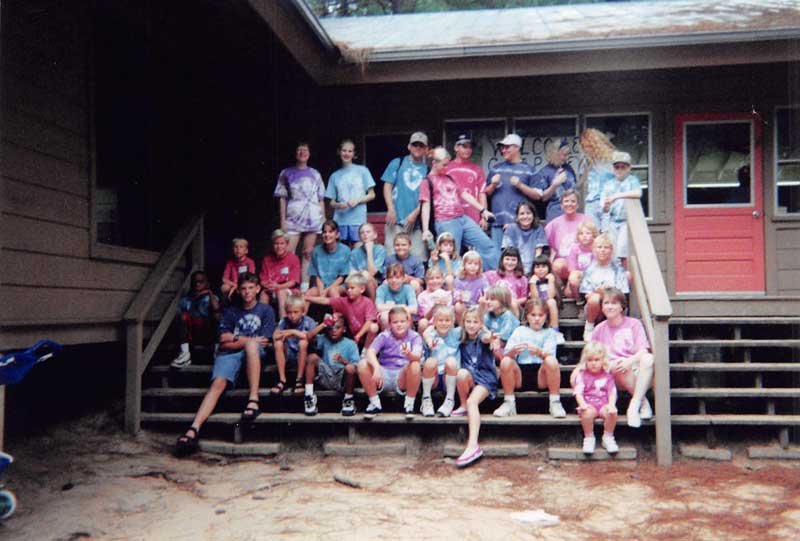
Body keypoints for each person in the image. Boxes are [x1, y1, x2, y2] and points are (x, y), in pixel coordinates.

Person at [175, 272, 275, 456]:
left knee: (253, 346)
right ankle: (194, 429)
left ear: (258, 289)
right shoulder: (231, 311)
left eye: (251, 288)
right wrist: (245, 339)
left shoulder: (265, 310)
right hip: (229, 354)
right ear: (238, 290)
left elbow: (264, 342)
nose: (247, 292)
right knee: (218, 383)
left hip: (252, 354)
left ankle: (253, 400)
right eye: (243, 289)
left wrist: (236, 338)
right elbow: (223, 342)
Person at [420, 146, 498, 270]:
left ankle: (494, 276)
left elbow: (464, 194)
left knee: (487, 245)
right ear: (434, 163)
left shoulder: (450, 177)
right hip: (445, 221)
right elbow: (425, 205)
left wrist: (483, 210)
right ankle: (450, 284)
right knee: (449, 254)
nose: (447, 168)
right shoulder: (427, 181)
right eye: (444, 165)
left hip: (462, 218)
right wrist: (425, 230)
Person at [586, 287, 654, 429]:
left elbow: (643, 350)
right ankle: (642, 402)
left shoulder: (633, 324)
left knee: (648, 358)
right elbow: (592, 356)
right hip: (613, 374)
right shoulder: (599, 329)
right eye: (606, 303)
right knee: (617, 365)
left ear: (622, 306)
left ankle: (634, 405)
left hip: (635, 369)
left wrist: (629, 361)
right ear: (602, 307)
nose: (610, 306)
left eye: (614, 303)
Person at [495, 298, 566, 418]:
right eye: (533, 315)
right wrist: (513, 351)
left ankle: (555, 402)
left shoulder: (549, 332)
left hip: (541, 375)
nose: (537, 319)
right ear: (527, 316)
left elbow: (550, 357)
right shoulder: (519, 331)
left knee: (551, 361)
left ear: (546, 316)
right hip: (520, 374)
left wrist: (540, 353)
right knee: (506, 361)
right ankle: (508, 403)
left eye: (540, 315)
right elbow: (506, 355)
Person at [274, 142, 326, 286]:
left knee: (308, 253)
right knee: (289, 254)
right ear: (295, 153)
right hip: (293, 219)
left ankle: (304, 287)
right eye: (299, 150)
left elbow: (321, 198)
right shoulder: (286, 173)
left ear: (309, 154)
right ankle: (289, 285)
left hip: (313, 218)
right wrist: (283, 221)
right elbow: (282, 198)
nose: (302, 152)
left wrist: (324, 218)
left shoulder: (315, 174)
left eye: (305, 150)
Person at [358, 307, 424, 419]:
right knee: (363, 363)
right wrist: (376, 368)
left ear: (408, 322)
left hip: (402, 377)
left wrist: (409, 354)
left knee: (415, 364)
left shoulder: (414, 336)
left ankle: (409, 404)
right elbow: (370, 352)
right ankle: (375, 403)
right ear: (389, 324)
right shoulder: (384, 335)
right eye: (395, 322)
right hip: (385, 375)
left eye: (402, 321)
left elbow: (417, 356)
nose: (399, 325)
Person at [453, 306, 499, 468]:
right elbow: (433, 330)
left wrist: (489, 335)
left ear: (481, 323)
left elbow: (487, 338)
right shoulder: (461, 336)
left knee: (474, 402)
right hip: (470, 377)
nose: (471, 325)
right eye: (468, 322)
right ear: (463, 323)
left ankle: (473, 445)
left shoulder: (482, 336)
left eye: (475, 322)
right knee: (461, 374)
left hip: (485, 379)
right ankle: (463, 404)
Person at [483, 133, 544, 249]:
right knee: (499, 259)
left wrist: (520, 185)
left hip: (520, 224)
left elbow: (538, 195)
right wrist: (493, 184)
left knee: (518, 258)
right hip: (498, 223)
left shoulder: (530, 170)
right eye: (502, 147)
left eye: (507, 147)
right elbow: (486, 193)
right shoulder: (496, 168)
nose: (503, 150)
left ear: (517, 147)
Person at [382, 131, 429, 261]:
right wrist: (390, 208)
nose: (418, 148)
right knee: (392, 258)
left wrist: (415, 214)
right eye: (415, 145)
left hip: (416, 224)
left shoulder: (428, 170)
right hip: (395, 220)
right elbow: (387, 186)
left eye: (421, 145)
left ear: (426, 149)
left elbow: (427, 198)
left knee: (418, 259)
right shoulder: (398, 163)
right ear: (409, 146)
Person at [303, 313, 360, 416]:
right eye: (331, 328)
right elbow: (308, 337)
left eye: (337, 328)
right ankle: (309, 397)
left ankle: (348, 400)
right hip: (326, 374)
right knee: (312, 357)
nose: (334, 330)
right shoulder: (324, 339)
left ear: (344, 329)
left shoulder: (351, 343)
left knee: (350, 367)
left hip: (342, 378)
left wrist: (344, 361)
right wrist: (323, 324)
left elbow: (357, 367)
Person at [306, 272, 379, 350]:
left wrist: (359, 335)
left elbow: (369, 321)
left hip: (364, 335)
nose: (349, 290)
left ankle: (366, 351)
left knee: (373, 327)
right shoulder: (343, 301)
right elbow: (325, 300)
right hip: (352, 335)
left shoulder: (367, 302)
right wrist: (307, 298)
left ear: (362, 289)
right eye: (347, 288)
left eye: (352, 288)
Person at [326, 139, 376, 247]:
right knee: (342, 254)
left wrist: (358, 200)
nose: (346, 153)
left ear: (354, 154)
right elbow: (331, 202)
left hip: (358, 220)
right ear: (339, 152)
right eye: (344, 150)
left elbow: (372, 194)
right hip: (340, 221)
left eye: (350, 151)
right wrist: (338, 205)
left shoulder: (363, 171)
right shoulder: (334, 175)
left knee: (357, 253)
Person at [579, 234, 629, 341]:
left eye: (606, 247)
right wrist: (600, 293)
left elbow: (623, 294)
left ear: (611, 250)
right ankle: (589, 329)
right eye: (599, 247)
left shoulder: (618, 269)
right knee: (594, 299)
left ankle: (618, 329)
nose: (602, 250)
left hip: (615, 304)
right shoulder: (589, 269)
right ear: (594, 249)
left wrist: (609, 292)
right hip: (595, 308)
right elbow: (586, 295)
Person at [573, 341, 618, 454]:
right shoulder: (582, 375)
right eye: (590, 360)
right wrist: (582, 404)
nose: (593, 363)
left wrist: (611, 405)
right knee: (587, 413)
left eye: (597, 360)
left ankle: (608, 437)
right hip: (589, 404)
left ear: (603, 360)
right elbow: (578, 392)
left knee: (611, 413)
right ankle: (589, 437)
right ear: (585, 361)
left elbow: (612, 392)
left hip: (603, 404)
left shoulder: (608, 376)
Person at [599, 151, 643, 266]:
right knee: (611, 251)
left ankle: (624, 280)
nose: (619, 170)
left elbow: (638, 193)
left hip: (626, 222)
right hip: (612, 221)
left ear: (629, 168)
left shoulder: (632, 180)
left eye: (623, 167)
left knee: (623, 252)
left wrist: (615, 196)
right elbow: (603, 209)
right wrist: (606, 206)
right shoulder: (608, 184)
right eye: (617, 167)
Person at [171, 271, 221, 369]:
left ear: (206, 283)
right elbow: (180, 322)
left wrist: (209, 293)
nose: (197, 284)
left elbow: (217, 311)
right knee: (183, 316)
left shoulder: (211, 298)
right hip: (192, 334)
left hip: (209, 333)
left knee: (216, 316)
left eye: (201, 282)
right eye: (195, 282)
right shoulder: (185, 300)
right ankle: (185, 354)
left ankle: (218, 353)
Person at [270, 295, 316, 396]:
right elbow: (275, 336)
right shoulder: (284, 321)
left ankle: (299, 379)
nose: (292, 315)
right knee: (278, 343)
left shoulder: (309, 321)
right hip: (289, 355)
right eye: (289, 312)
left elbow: (309, 337)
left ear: (303, 311)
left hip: (304, 355)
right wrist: (297, 334)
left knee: (303, 342)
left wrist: (292, 332)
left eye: (295, 312)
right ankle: (282, 379)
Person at [420, 305, 461, 418]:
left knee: (451, 361)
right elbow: (426, 333)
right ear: (435, 322)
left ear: (453, 322)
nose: (444, 323)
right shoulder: (431, 334)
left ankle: (449, 399)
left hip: (450, 375)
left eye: (447, 320)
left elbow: (473, 326)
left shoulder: (457, 333)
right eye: (440, 320)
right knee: (431, 361)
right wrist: (429, 341)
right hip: (434, 377)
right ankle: (426, 399)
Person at [445, 133, 488, 228]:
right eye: (464, 146)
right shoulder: (446, 167)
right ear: (456, 147)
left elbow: (482, 193)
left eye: (470, 147)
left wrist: (484, 217)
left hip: (473, 219)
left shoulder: (477, 169)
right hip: (450, 218)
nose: (468, 150)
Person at [544, 189, 587, 282]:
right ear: (561, 205)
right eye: (566, 201)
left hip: (583, 260)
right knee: (557, 265)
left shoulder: (586, 220)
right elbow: (552, 248)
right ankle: (560, 287)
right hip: (564, 262)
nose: (569, 204)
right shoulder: (554, 224)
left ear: (578, 204)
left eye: (573, 201)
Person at [259, 229, 301, 319]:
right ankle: (262, 323)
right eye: (276, 243)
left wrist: (278, 287)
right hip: (272, 288)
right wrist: (268, 286)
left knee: (281, 292)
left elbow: (293, 282)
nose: (279, 246)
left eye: (282, 243)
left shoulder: (293, 258)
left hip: (288, 289)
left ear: (287, 244)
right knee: (263, 293)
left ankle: (283, 323)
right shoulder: (267, 259)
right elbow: (262, 280)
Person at [306, 220, 351, 301]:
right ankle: (302, 314)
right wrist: (321, 292)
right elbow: (317, 276)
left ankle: (338, 313)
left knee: (332, 291)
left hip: (339, 285)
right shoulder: (316, 251)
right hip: (321, 285)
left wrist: (327, 290)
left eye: (330, 232)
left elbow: (342, 277)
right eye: (324, 232)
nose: (327, 235)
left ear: (337, 234)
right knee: (307, 295)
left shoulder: (345, 251)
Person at [534, 138, 577, 222]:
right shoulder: (545, 172)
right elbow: (543, 197)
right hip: (555, 213)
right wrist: (555, 184)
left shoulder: (569, 169)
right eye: (564, 155)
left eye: (568, 155)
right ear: (555, 154)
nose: (566, 158)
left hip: (572, 211)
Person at [502, 200, 548, 275]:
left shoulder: (538, 228)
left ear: (533, 215)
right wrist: (518, 268)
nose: (525, 216)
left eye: (528, 213)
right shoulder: (511, 228)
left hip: (533, 267)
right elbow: (509, 252)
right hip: (515, 267)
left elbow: (538, 253)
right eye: (522, 214)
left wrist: (534, 270)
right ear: (517, 216)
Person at [484, 247, 528, 317]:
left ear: (518, 262)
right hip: (494, 304)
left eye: (513, 260)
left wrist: (513, 302)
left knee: (513, 303)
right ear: (502, 260)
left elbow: (524, 298)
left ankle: (514, 325)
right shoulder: (491, 275)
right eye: (507, 259)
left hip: (513, 305)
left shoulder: (522, 279)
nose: (510, 262)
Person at [348, 222, 386, 300]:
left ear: (375, 235)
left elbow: (372, 272)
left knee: (366, 275)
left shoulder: (381, 249)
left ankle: (373, 305)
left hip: (376, 283)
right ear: (359, 237)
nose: (365, 234)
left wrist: (369, 251)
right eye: (362, 233)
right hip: (357, 282)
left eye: (368, 232)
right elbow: (351, 273)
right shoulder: (355, 252)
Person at [375, 263, 418, 329]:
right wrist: (399, 307)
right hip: (388, 318)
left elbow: (414, 309)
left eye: (397, 277)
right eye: (390, 277)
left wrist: (390, 308)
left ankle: (406, 338)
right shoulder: (381, 289)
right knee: (384, 316)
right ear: (386, 279)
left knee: (407, 316)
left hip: (403, 317)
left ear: (403, 278)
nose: (393, 280)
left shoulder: (408, 288)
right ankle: (388, 338)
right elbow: (378, 307)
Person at [565, 220, 599, 302]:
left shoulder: (597, 247)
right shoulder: (575, 248)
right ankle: (579, 302)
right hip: (579, 277)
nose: (584, 236)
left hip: (594, 277)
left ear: (593, 235)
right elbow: (572, 268)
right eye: (581, 234)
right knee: (568, 293)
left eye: (588, 233)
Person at [453, 250, 489, 321]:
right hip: (465, 305)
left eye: (475, 264)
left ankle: (480, 324)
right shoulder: (460, 279)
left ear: (479, 266)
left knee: (485, 303)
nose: (473, 266)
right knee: (458, 306)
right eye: (470, 264)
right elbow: (455, 293)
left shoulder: (482, 278)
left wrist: (484, 297)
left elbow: (487, 290)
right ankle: (462, 327)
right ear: (464, 265)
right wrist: (459, 297)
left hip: (477, 305)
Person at [417, 266, 452, 334]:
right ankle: (422, 343)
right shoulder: (422, 296)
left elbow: (449, 315)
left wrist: (444, 305)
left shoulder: (446, 294)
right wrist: (435, 305)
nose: (435, 281)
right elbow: (426, 317)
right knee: (423, 322)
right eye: (431, 278)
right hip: (430, 325)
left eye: (438, 278)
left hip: (444, 323)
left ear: (442, 279)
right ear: (426, 281)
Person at [482, 285, 519, 350]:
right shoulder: (489, 314)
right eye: (487, 299)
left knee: (495, 344)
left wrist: (490, 336)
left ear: (502, 301)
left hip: (507, 346)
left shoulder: (508, 315)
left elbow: (504, 337)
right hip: (493, 341)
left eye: (492, 299)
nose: (488, 302)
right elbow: (482, 328)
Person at [529, 255, 560, 330]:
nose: (540, 269)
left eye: (543, 267)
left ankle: (554, 330)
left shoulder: (552, 279)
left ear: (548, 268)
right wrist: (532, 283)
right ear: (533, 269)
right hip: (536, 306)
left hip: (550, 308)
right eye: (537, 267)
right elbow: (535, 299)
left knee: (551, 302)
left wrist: (551, 281)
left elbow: (551, 296)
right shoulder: (532, 280)